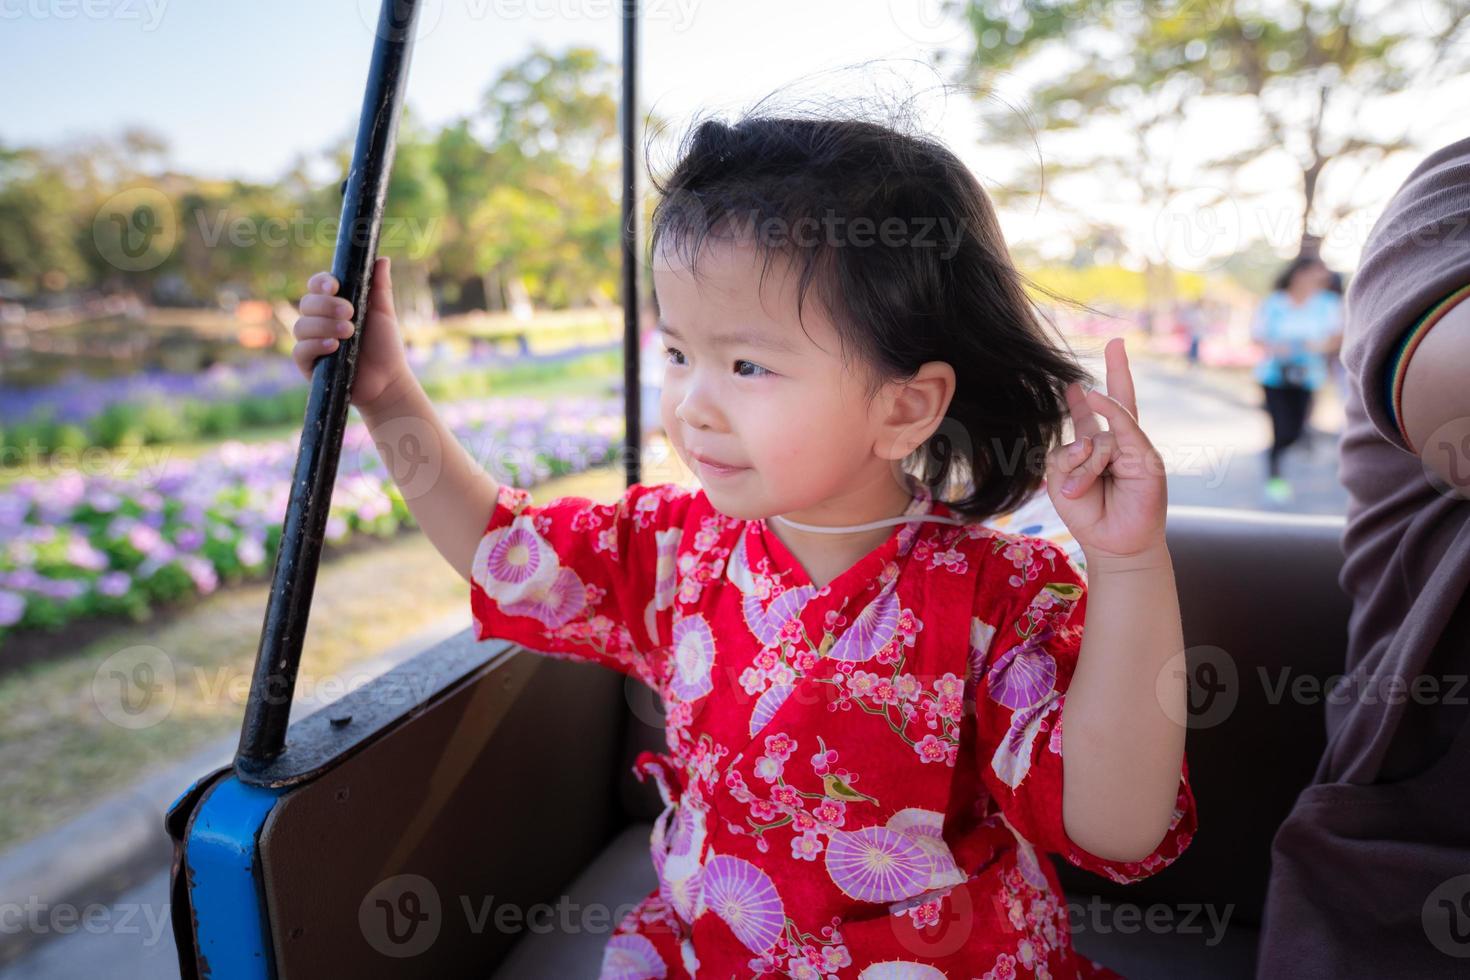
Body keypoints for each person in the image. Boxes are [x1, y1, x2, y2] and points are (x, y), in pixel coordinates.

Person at [290, 109, 1198, 977]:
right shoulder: (675, 548)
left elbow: (1116, 825)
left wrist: (1127, 565)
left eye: (748, 365)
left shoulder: (998, 599)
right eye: (679, 352)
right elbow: (504, 550)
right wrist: (388, 393)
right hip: (721, 953)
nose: (692, 405)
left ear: (904, 407)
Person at [1258, 138, 1470, 976]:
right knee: (1277, 437)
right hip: (1424, 881)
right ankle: (1275, 480)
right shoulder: (1452, 195)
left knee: (1287, 431)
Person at [1250, 256, 1344, 504]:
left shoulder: (1328, 303)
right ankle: (1274, 477)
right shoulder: (1274, 303)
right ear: (1300, 273)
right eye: (1316, 270)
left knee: (1296, 430)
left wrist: (1317, 346)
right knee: (1280, 430)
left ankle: (1280, 465)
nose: (1322, 275)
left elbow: (1337, 337)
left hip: (1308, 379)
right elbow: (1257, 336)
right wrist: (1276, 347)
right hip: (1274, 377)